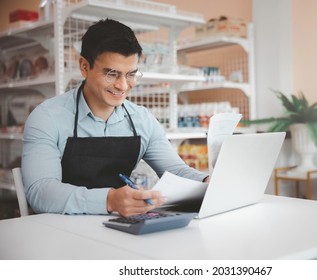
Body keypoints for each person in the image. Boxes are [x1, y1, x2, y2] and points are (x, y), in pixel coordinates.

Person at [22, 18, 208, 217]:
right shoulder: (47, 117)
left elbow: (177, 172)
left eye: (131, 74)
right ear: (84, 67)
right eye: (112, 74)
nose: (123, 85)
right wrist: (109, 200)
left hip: (120, 231)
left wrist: (206, 182)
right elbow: (41, 192)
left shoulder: (142, 120)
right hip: (59, 233)